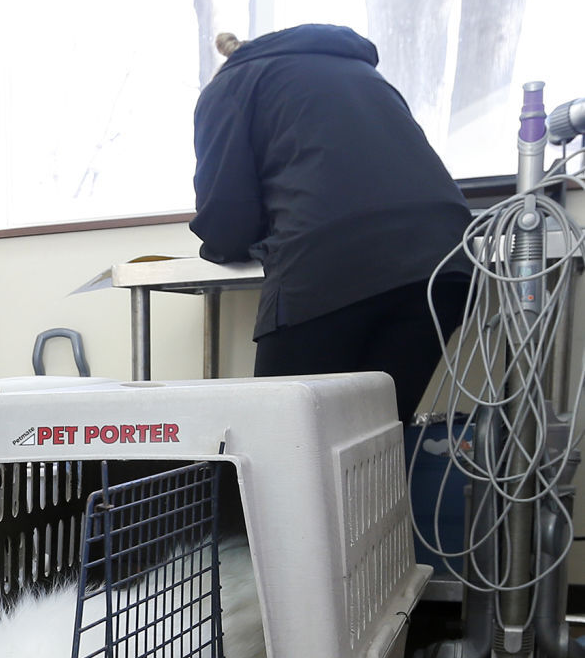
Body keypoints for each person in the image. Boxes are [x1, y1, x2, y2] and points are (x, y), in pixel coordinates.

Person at [190, 24, 473, 420]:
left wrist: (230, 243)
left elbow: (225, 219)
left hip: (331, 261)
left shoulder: (230, 87)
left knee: (280, 440)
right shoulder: (361, 74)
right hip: (445, 261)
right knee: (375, 441)